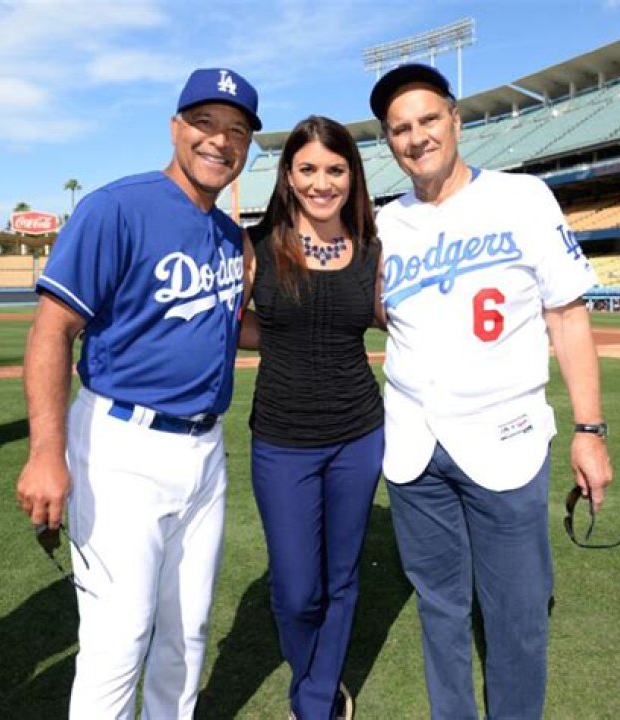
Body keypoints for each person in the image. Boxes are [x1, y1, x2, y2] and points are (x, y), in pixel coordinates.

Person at [368, 64, 614, 719]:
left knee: (518, 614)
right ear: (389, 141)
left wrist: (590, 431)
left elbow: (568, 316)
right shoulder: (385, 225)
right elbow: (377, 315)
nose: (416, 137)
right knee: (440, 610)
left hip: (507, 440)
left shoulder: (523, 197)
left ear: (455, 120)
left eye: (428, 119)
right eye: (400, 128)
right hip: (415, 449)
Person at [15, 67, 261, 719]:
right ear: (176, 128)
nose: (220, 140)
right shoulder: (115, 207)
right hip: (121, 447)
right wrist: (45, 453)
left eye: (237, 130)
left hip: (204, 452)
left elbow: (227, 327)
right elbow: (51, 330)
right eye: (205, 123)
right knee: (117, 641)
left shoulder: (229, 237)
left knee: (187, 634)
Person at [241, 115, 385, 720]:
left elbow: (395, 318)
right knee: (298, 590)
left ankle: (316, 698)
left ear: (352, 176)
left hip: (359, 434)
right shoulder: (254, 244)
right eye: (308, 169)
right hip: (282, 439)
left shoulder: (372, 247)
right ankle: (313, 679)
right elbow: (233, 322)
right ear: (288, 175)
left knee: (342, 579)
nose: (321, 183)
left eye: (335, 169)